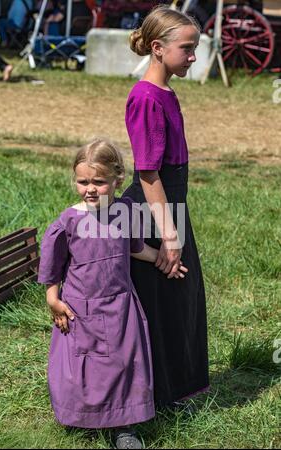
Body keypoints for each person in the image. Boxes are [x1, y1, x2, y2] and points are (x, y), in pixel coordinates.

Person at [37, 139, 188, 448]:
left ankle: (124, 428)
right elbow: (52, 265)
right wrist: (53, 299)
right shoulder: (69, 222)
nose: (90, 188)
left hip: (121, 306)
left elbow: (133, 248)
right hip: (81, 309)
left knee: (124, 364)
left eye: (99, 182)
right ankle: (87, 417)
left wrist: (164, 260)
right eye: (83, 182)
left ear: (118, 179)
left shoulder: (124, 210)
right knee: (88, 367)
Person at [123, 5, 209, 407]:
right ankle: (150, 395)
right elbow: (148, 174)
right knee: (160, 303)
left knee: (182, 299)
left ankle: (176, 389)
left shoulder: (165, 92)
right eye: (187, 48)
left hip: (172, 206)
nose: (193, 56)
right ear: (158, 48)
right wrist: (169, 236)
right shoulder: (144, 98)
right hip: (153, 213)